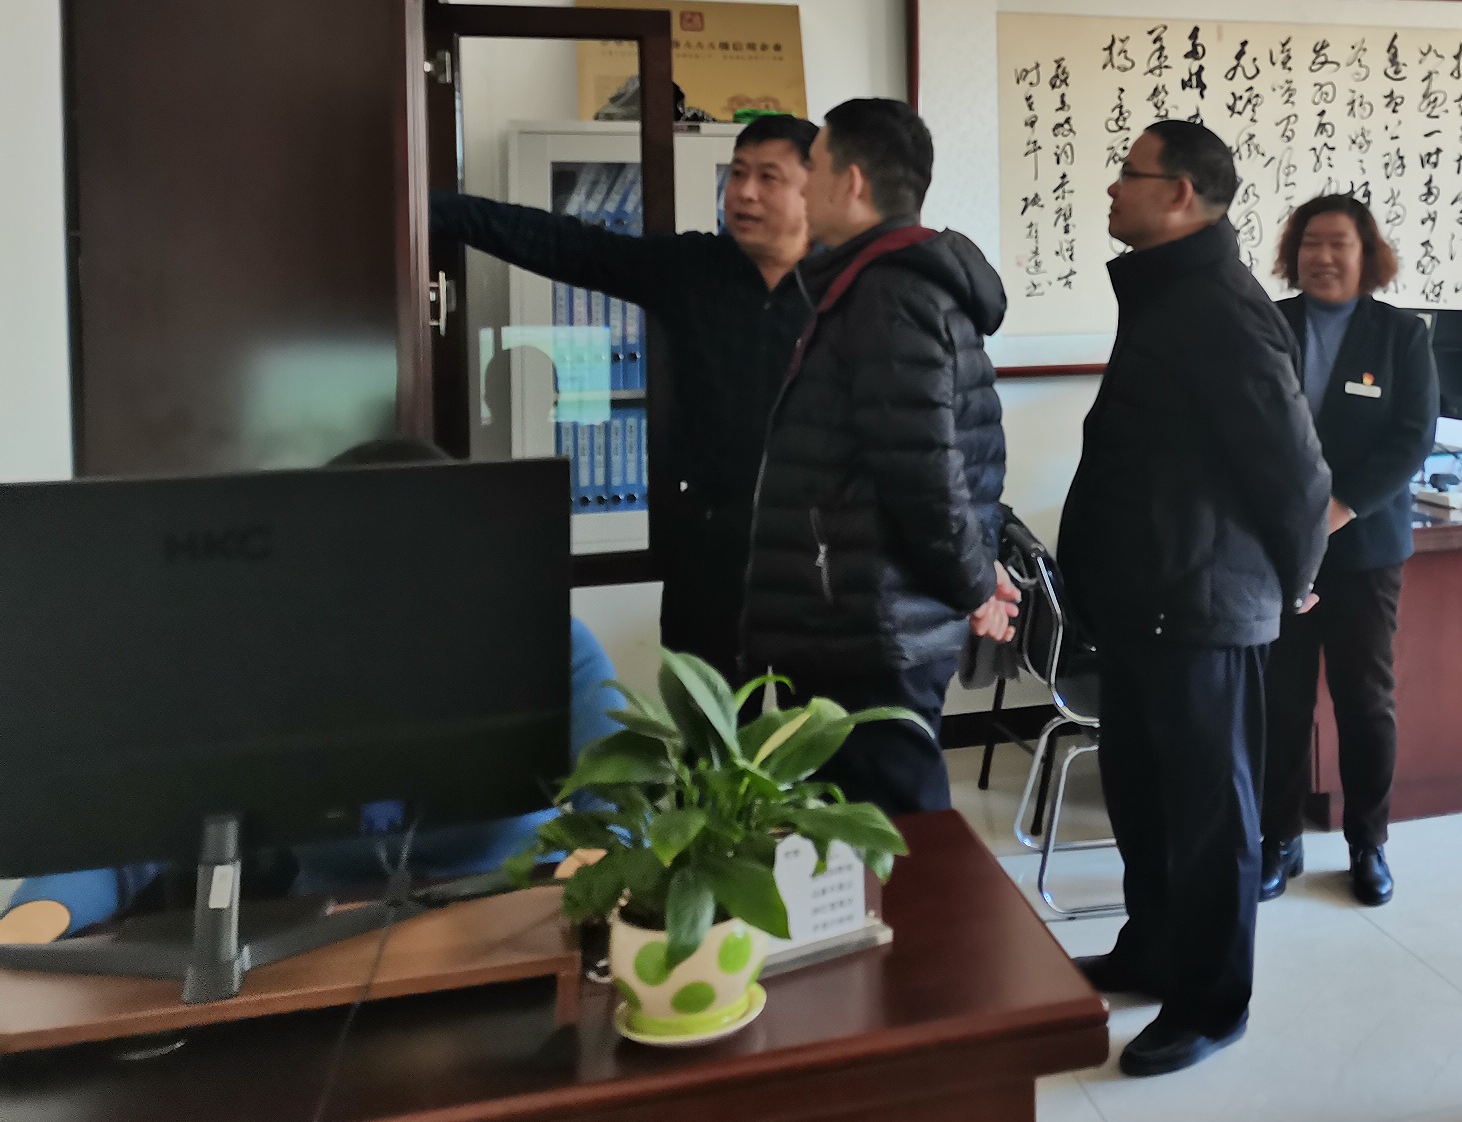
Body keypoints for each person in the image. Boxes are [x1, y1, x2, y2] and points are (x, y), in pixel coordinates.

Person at [0, 436, 621, 941]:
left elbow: (625, 794)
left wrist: (597, 868)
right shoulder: (264, 668)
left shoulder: (547, 639)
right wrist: (31, 922)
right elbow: (125, 829)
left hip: (509, 921)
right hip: (322, 943)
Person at [1059, 121, 1333, 1078]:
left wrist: (1296, 578)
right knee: (1144, 796)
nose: (1112, 188)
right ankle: (1154, 949)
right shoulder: (1169, 291)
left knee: (1211, 815)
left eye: (1127, 173)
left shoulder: (1219, 304)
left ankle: (1213, 1002)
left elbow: (1294, 468)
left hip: (1202, 603)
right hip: (1149, 597)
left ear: (1179, 194)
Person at [431, 113, 818, 682]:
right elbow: (571, 246)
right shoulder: (694, 269)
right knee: (703, 725)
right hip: (709, 543)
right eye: (737, 173)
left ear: (816, 189)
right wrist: (443, 211)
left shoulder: (848, 289)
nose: (745, 192)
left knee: (819, 727)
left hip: (814, 550)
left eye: (768, 177)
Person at [741, 97, 1017, 817]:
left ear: (853, 182)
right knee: (855, 835)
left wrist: (975, 587)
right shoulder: (875, 284)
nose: (802, 188)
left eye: (812, 168)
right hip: (861, 616)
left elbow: (923, 474)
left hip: (868, 627)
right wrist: (975, 577)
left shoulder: (889, 293)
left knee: (892, 836)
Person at [1260, 195, 1437, 910]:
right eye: (1310, 243)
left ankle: (1369, 842)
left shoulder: (1401, 334)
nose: (1323, 257)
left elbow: (1412, 437)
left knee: (1365, 701)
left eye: (1338, 243)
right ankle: (1279, 838)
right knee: (1281, 700)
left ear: (1368, 255)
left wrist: (1335, 512)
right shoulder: (1267, 322)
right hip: (1276, 548)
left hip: (1363, 546)